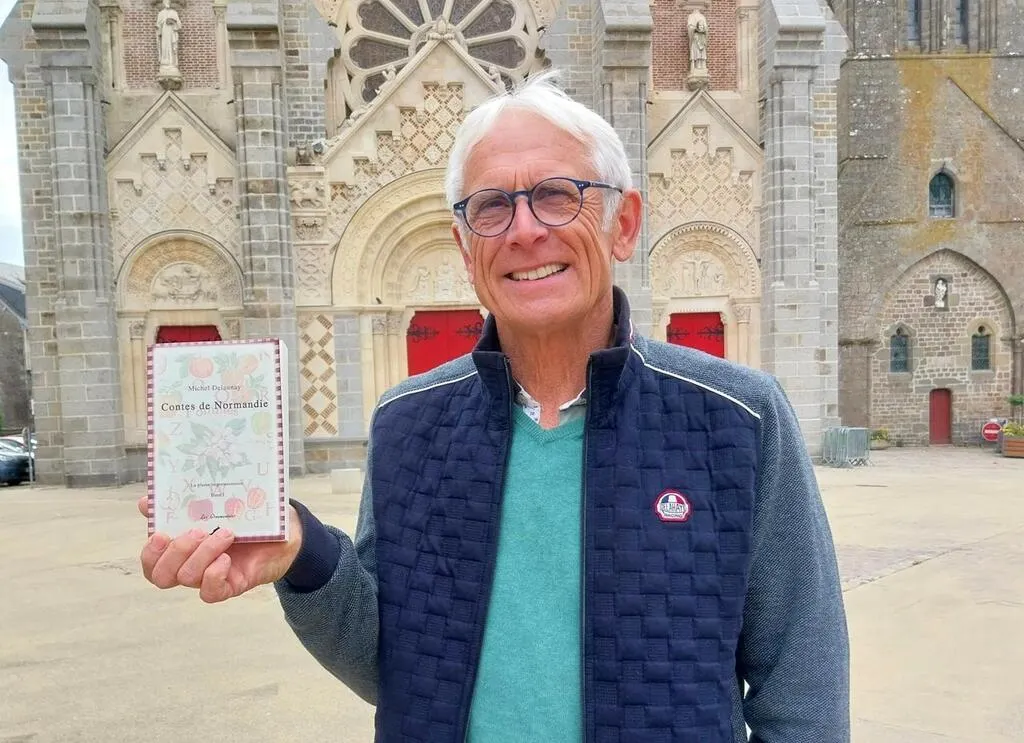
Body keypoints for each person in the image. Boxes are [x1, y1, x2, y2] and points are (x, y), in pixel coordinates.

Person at [139, 70, 849, 742]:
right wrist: (303, 552)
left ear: (623, 224)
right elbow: (401, 667)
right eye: (491, 206)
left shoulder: (739, 418)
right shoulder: (406, 424)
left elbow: (803, 693)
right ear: (463, 245)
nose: (524, 230)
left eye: (557, 195)